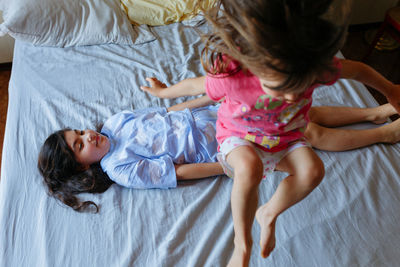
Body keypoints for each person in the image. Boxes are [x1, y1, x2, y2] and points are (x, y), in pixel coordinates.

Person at [139, 0, 400, 265]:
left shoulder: (311, 65)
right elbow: (195, 87)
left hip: (285, 136)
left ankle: (268, 214)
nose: (291, 96)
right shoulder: (233, 76)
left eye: (300, 87)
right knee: (250, 168)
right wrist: (163, 92)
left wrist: (389, 89)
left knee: (313, 171)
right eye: (281, 87)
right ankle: (242, 243)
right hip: (238, 135)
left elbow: (356, 70)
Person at [38, 102, 224, 213]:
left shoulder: (113, 122)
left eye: (79, 131)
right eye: (80, 145)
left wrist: (209, 96)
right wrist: (225, 167)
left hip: (204, 114)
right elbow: (177, 172)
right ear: (82, 167)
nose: (88, 135)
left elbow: (167, 111)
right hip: (207, 144)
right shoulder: (118, 168)